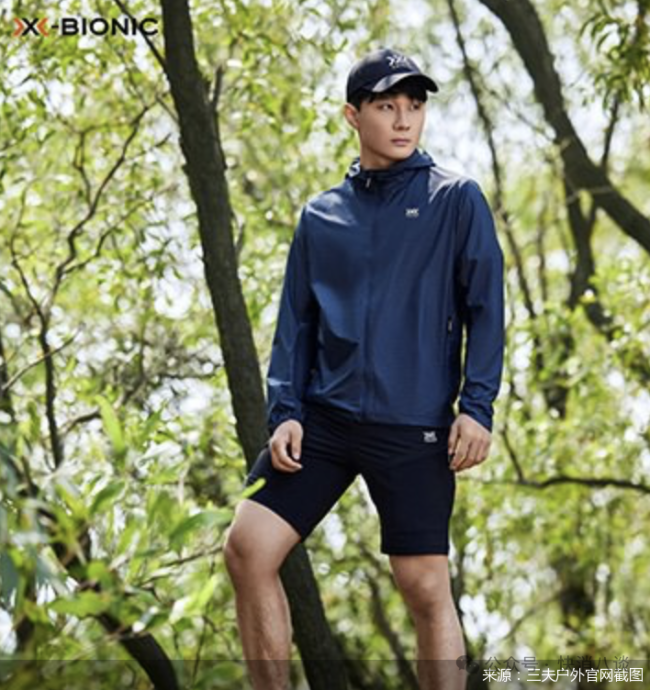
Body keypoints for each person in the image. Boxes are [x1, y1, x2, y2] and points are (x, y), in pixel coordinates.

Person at [224, 47, 505, 690]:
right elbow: (296, 324)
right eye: (386, 106)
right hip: (325, 421)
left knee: (424, 586)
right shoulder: (321, 216)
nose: (404, 120)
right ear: (353, 116)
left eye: (415, 105)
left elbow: (486, 310)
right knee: (247, 547)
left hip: (415, 425)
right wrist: (285, 412)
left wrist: (477, 407)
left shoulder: (456, 199)